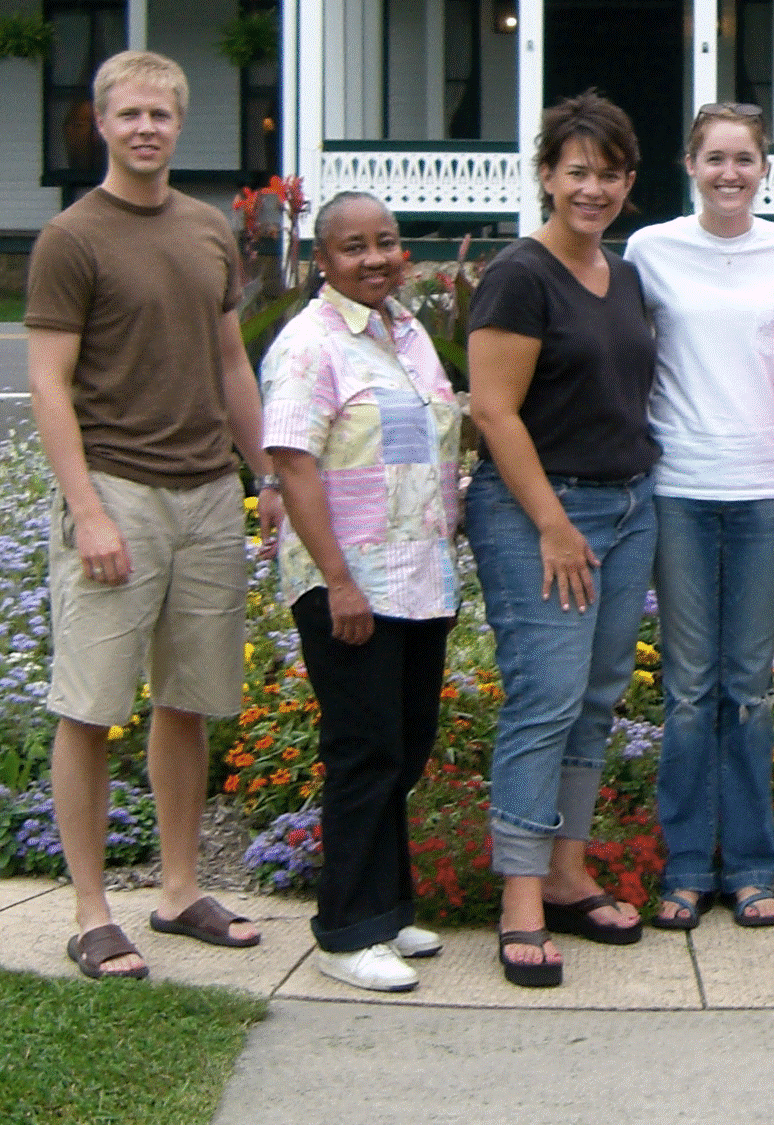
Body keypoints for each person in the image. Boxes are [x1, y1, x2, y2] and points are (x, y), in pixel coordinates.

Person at [25, 50, 276, 980]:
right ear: (100, 122)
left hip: (208, 492)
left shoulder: (209, 229)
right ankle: (91, 912)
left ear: (179, 123)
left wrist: (266, 474)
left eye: (159, 115)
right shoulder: (72, 238)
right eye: (127, 114)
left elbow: (229, 365)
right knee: (89, 707)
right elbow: (49, 383)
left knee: (188, 701)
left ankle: (178, 889)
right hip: (117, 491)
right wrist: (87, 509)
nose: (144, 129)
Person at [465, 92, 659, 988]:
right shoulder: (520, 273)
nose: (594, 187)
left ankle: (568, 867)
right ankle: (520, 897)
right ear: (546, 174)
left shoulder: (619, 273)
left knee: (595, 696)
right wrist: (549, 523)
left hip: (625, 507)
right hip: (539, 513)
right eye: (577, 170)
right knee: (543, 697)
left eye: (610, 172)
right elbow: (493, 411)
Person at [260, 192, 460, 993]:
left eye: (386, 242)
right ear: (323, 259)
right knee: (362, 751)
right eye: (354, 246)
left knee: (403, 745)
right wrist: (338, 579)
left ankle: (386, 906)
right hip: (349, 583)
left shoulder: (408, 335)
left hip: (419, 575)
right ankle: (345, 929)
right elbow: (292, 462)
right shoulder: (309, 343)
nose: (374, 257)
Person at [627, 103, 774, 934]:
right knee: (686, 687)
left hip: (765, 488)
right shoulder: (650, 249)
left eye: (744, 158)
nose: (729, 172)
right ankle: (683, 866)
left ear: (764, 166)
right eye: (714, 158)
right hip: (678, 484)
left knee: (746, 685)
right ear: (690, 164)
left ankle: (748, 865)